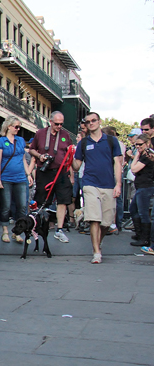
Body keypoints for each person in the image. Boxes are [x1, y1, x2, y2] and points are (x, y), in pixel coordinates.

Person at [72, 112, 123, 264]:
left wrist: (118, 184)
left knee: (106, 222)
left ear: (99, 122)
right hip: (89, 183)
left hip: (108, 184)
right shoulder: (83, 143)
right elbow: (77, 166)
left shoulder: (111, 141)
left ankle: (97, 244)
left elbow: (117, 164)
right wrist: (71, 159)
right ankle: (96, 252)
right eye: (88, 122)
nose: (91, 123)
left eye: (93, 120)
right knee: (94, 219)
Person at [28, 111, 73, 243]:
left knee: (63, 199)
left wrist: (71, 174)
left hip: (62, 171)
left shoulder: (65, 135)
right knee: (40, 199)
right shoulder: (40, 133)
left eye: (61, 124)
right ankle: (36, 225)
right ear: (51, 121)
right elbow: (31, 149)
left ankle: (59, 229)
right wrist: (39, 156)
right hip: (45, 171)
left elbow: (69, 154)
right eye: (57, 124)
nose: (59, 126)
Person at [0, 115, 32, 244]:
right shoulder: (0, 142)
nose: (18, 129)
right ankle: (5, 230)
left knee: (22, 205)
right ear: (8, 127)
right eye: (16, 126)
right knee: (6, 205)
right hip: (6, 177)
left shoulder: (20, 140)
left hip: (20, 177)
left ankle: (18, 230)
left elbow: (23, 159)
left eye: (19, 127)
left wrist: (28, 174)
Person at [130, 133, 154, 252]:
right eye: (136, 145)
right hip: (142, 186)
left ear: (147, 143)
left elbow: (133, 169)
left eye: (140, 144)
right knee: (134, 209)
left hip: (146, 186)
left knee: (142, 212)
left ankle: (144, 238)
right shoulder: (146, 155)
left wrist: (136, 156)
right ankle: (140, 234)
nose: (137, 147)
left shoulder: (147, 156)